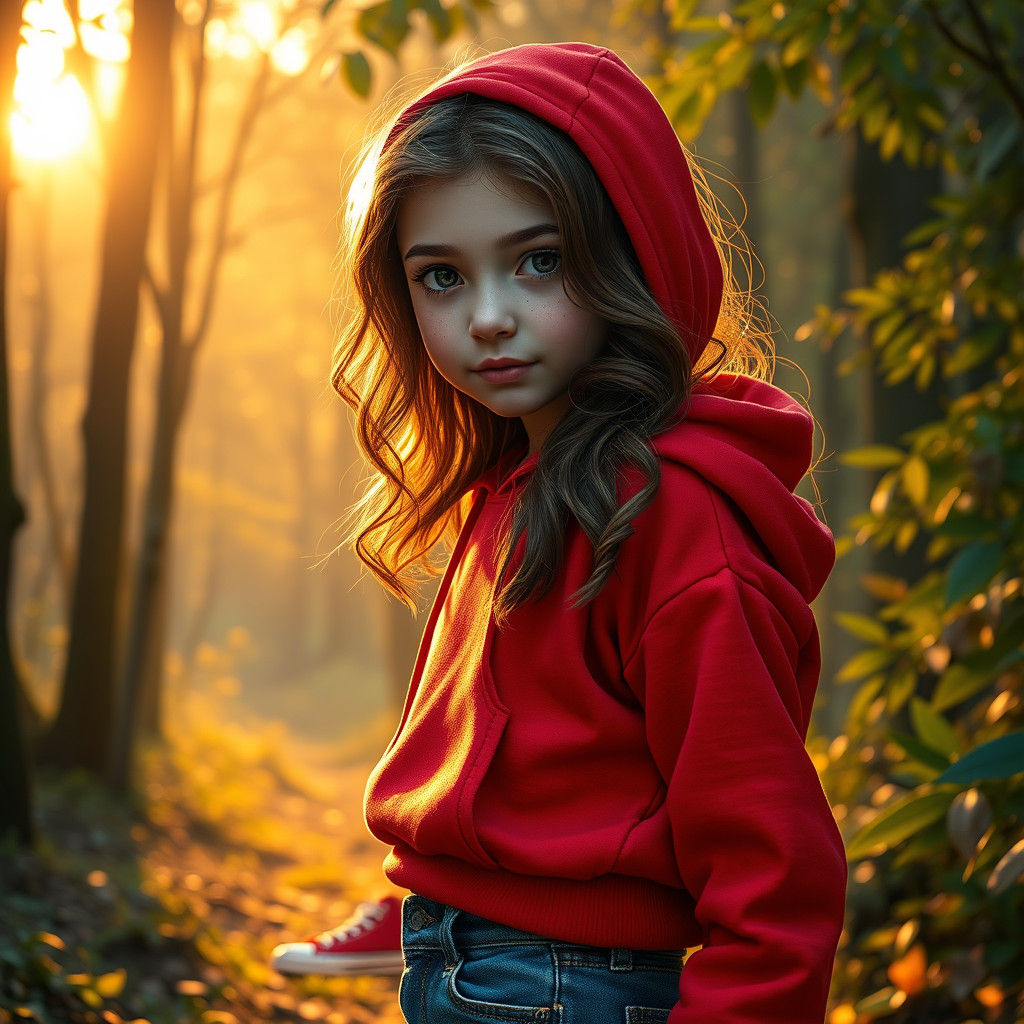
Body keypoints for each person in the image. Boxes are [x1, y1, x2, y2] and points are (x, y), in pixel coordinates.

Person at [302, 40, 848, 1023]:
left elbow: (775, 877)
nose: (488, 317)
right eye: (441, 277)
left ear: (632, 253)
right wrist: (438, 891)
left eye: (537, 261)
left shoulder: (672, 518)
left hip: (564, 991)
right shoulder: (524, 488)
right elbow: (542, 773)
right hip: (471, 967)